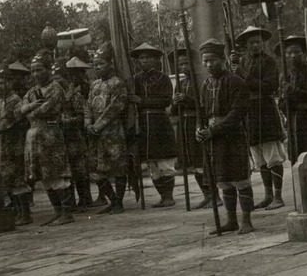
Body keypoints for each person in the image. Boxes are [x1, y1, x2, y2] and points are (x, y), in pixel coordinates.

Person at [195, 39, 254, 235]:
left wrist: (216, 129)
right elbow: (202, 111)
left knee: (239, 178)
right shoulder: (205, 85)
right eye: (205, 61)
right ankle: (231, 220)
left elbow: (238, 112)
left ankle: (246, 220)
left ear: (222, 59)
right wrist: (199, 128)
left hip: (233, 136)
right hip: (214, 139)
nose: (209, 65)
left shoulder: (235, 81)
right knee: (223, 180)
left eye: (212, 60)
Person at [235, 26, 288, 211]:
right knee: (259, 157)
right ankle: (267, 195)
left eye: (258, 42)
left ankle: (279, 196)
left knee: (272, 155)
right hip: (249, 112)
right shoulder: (241, 61)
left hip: (264, 109)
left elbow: (268, 87)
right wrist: (235, 69)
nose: (255, 45)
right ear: (246, 45)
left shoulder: (269, 62)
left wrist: (243, 74)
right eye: (251, 43)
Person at [20, 58, 75, 226]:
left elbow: (47, 109)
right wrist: (29, 108)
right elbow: (20, 109)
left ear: (48, 69)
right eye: (33, 71)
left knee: (56, 173)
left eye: (39, 70)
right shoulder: (32, 91)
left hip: (50, 135)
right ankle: (57, 211)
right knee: (43, 176)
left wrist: (29, 109)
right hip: (35, 137)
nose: (36, 74)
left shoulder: (55, 89)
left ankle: (67, 213)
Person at [129, 44, 179, 208]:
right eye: (141, 58)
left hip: (159, 122)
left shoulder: (163, 78)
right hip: (143, 123)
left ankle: (169, 196)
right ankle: (162, 196)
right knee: (152, 164)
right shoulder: (135, 79)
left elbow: (166, 101)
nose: (144, 61)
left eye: (147, 57)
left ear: (156, 60)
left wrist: (141, 101)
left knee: (164, 162)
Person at [0, 63, 32, 224]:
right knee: (8, 182)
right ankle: (17, 212)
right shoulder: (0, 102)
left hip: (14, 147)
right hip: (1, 148)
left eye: (1, 83)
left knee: (18, 181)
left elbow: (3, 124)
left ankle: (25, 213)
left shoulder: (15, 101)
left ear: (10, 82)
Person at [84, 52, 130, 215]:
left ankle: (119, 202)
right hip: (95, 134)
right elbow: (88, 106)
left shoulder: (117, 83)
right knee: (96, 170)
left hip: (112, 132)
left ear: (110, 64)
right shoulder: (94, 84)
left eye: (101, 64)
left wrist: (98, 125)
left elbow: (115, 107)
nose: (97, 67)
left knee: (118, 167)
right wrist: (88, 124)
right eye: (95, 64)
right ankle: (113, 200)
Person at [167, 46, 212, 209]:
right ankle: (206, 194)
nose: (183, 67)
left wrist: (186, 99)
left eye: (186, 64)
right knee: (192, 161)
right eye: (181, 65)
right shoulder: (181, 82)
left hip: (197, 121)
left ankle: (213, 194)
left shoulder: (201, 80)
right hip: (184, 124)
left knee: (202, 159)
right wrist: (176, 103)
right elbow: (173, 109)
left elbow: (204, 104)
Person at [57, 57, 95, 209]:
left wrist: (66, 120)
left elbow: (82, 115)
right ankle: (71, 201)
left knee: (80, 169)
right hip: (62, 136)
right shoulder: (58, 94)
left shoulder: (78, 93)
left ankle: (86, 199)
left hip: (75, 135)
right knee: (68, 170)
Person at [277, 34, 307, 162]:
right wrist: (284, 102)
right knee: (297, 157)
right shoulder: (285, 75)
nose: (293, 56)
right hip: (294, 121)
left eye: (296, 52)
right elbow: (282, 102)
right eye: (289, 53)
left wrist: (294, 91)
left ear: (303, 52)